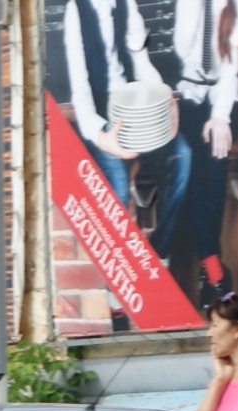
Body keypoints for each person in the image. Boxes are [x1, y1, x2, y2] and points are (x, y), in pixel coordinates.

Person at [62, 0, 190, 324]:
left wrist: (165, 98)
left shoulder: (125, 4)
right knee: (116, 190)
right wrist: (100, 135)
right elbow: (78, 87)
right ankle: (117, 283)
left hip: (140, 110)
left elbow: (141, 59)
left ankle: (157, 249)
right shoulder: (76, 11)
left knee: (183, 156)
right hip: (106, 120)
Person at [152, 0, 238, 305]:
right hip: (188, 94)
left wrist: (220, 116)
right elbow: (182, 49)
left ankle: (211, 269)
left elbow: (230, 67)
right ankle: (213, 271)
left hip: (225, 98)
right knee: (193, 168)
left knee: (214, 166)